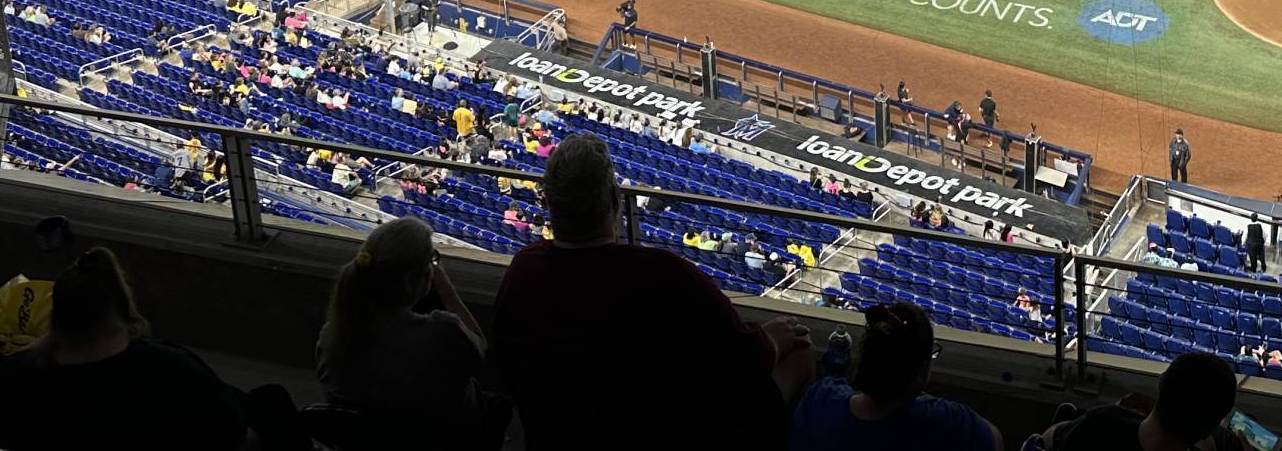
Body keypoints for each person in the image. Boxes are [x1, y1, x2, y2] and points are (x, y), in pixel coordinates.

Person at [489, 136, 812, 449]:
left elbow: (503, 361)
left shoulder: (523, 270)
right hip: (664, 434)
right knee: (799, 353)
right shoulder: (663, 273)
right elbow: (742, 360)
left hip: (555, 434)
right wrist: (771, 340)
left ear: (550, 205)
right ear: (614, 203)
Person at [0, 247, 248, 451]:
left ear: (55, 316)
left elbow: (0, 434)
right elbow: (230, 433)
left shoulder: (10, 375)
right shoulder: (171, 370)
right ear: (123, 312)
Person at [317, 216, 496, 450]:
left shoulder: (332, 334)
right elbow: (480, 352)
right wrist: (448, 291)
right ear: (414, 279)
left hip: (367, 442)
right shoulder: (443, 330)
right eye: (432, 261)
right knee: (497, 405)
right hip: (442, 438)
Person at [790, 300, 1001, 450]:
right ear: (919, 372)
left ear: (864, 357)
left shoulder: (819, 400)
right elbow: (995, 440)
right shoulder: (948, 423)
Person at [1039, 350, 1237, 449]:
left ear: (1160, 383)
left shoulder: (1103, 422)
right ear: (1209, 429)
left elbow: (1045, 439)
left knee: (1068, 416)